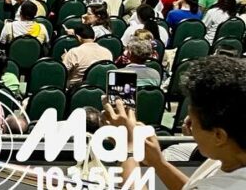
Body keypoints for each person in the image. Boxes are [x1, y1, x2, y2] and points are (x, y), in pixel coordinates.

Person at [106, 55, 246, 189]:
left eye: (192, 121)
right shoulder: (230, 156)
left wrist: (128, 147)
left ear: (219, 136)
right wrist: (158, 162)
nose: (186, 124)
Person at [61, 24, 113, 89]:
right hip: (101, 89)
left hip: (75, 90)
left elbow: (62, 73)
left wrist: (65, 58)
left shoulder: (74, 52)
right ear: (94, 38)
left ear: (78, 37)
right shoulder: (107, 52)